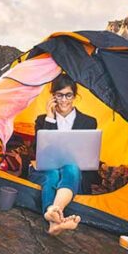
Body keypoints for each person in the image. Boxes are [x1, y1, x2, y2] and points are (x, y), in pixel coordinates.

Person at [28, 73, 99, 235]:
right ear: (53, 97)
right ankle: (55, 221)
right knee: (52, 173)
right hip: (47, 169)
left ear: (75, 96)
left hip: (73, 174)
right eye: (59, 95)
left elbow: (88, 153)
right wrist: (50, 119)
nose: (64, 100)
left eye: (68, 95)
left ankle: (52, 213)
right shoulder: (42, 120)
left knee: (71, 167)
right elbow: (38, 150)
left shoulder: (89, 121)